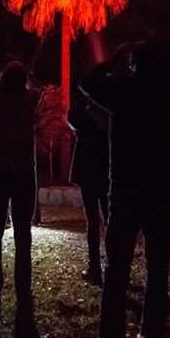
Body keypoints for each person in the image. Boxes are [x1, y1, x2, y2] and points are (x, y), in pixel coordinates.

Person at [81, 42, 170, 338]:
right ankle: (151, 332)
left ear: (132, 65)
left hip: (125, 187)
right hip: (161, 186)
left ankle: (110, 334)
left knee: (117, 263)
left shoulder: (122, 90)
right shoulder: (164, 91)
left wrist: (111, 63)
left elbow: (87, 84)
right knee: (158, 262)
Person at [0, 61, 42, 338]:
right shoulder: (30, 101)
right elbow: (36, 90)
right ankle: (23, 289)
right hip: (24, 173)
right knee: (23, 236)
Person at [68, 97, 110, 285]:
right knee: (110, 220)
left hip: (89, 173)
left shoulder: (84, 117)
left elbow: (71, 117)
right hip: (106, 172)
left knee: (93, 221)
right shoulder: (109, 116)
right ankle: (112, 265)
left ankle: (95, 267)